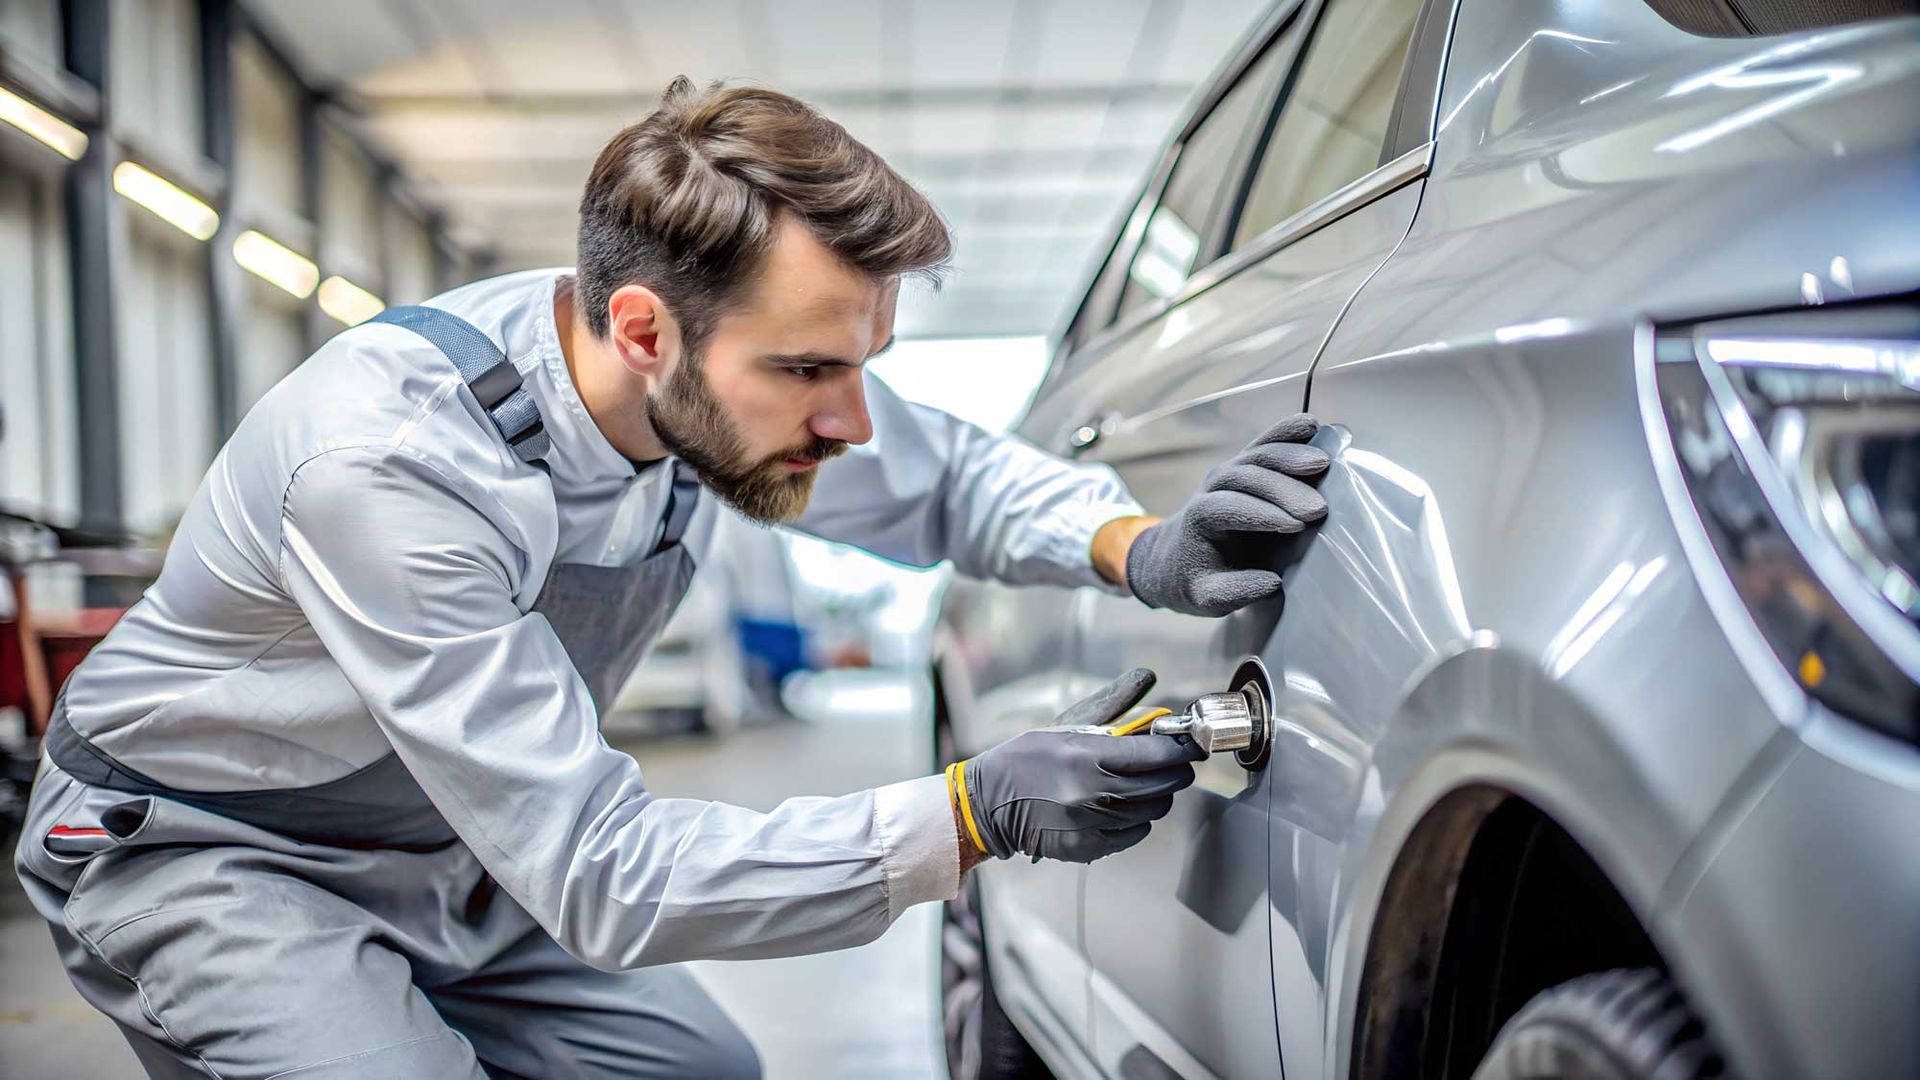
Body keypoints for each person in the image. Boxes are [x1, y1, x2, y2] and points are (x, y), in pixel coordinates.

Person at [12, 78, 1330, 1079]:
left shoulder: (699, 385)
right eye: (812, 373)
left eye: (861, 362)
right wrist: (967, 815)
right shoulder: (393, 470)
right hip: (215, 852)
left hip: (451, 845)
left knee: (694, 1067)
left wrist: (1138, 545)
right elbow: (601, 867)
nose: (852, 420)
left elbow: (945, 481)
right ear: (644, 331)